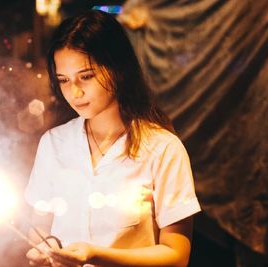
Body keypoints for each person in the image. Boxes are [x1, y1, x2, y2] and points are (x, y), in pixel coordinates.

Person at [24, 9, 201, 267]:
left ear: (117, 69)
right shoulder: (54, 143)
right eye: (63, 80)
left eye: (86, 76)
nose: (74, 92)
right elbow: (39, 225)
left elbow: (177, 255)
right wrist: (43, 249)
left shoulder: (163, 149)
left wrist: (96, 255)